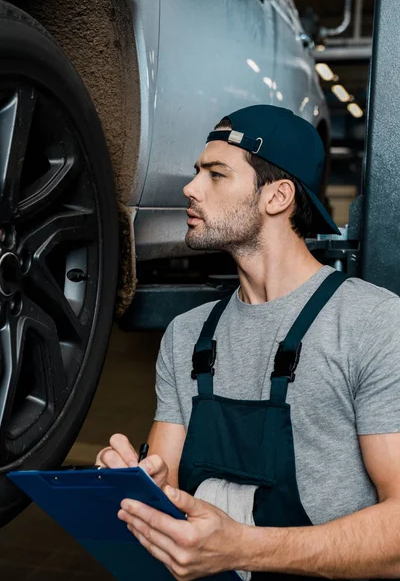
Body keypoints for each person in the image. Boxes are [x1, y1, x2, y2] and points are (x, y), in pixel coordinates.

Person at [96, 105, 400, 581]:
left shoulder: (373, 322)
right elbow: (169, 485)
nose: (190, 188)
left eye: (216, 174)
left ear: (277, 196)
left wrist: (245, 549)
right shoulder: (187, 336)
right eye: (197, 172)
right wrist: (140, 489)